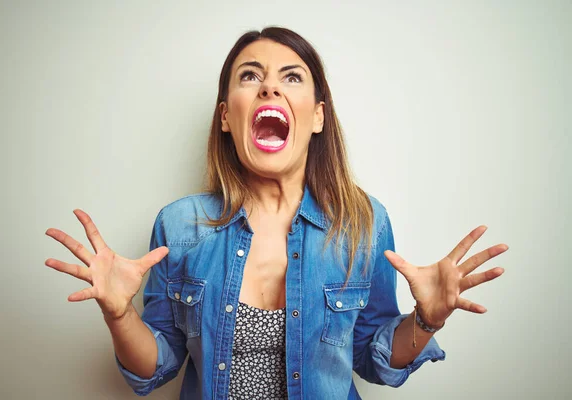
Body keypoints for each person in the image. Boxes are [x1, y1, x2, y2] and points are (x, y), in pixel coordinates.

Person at [45, 26, 508, 399]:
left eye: (292, 77)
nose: (269, 85)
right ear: (227, 116)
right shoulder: (179, 225)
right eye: (250, 76)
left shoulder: (362, 224)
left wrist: (427, 320)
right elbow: (155, 369)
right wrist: (119, 315)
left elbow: (374, 362)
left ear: (318, 116)